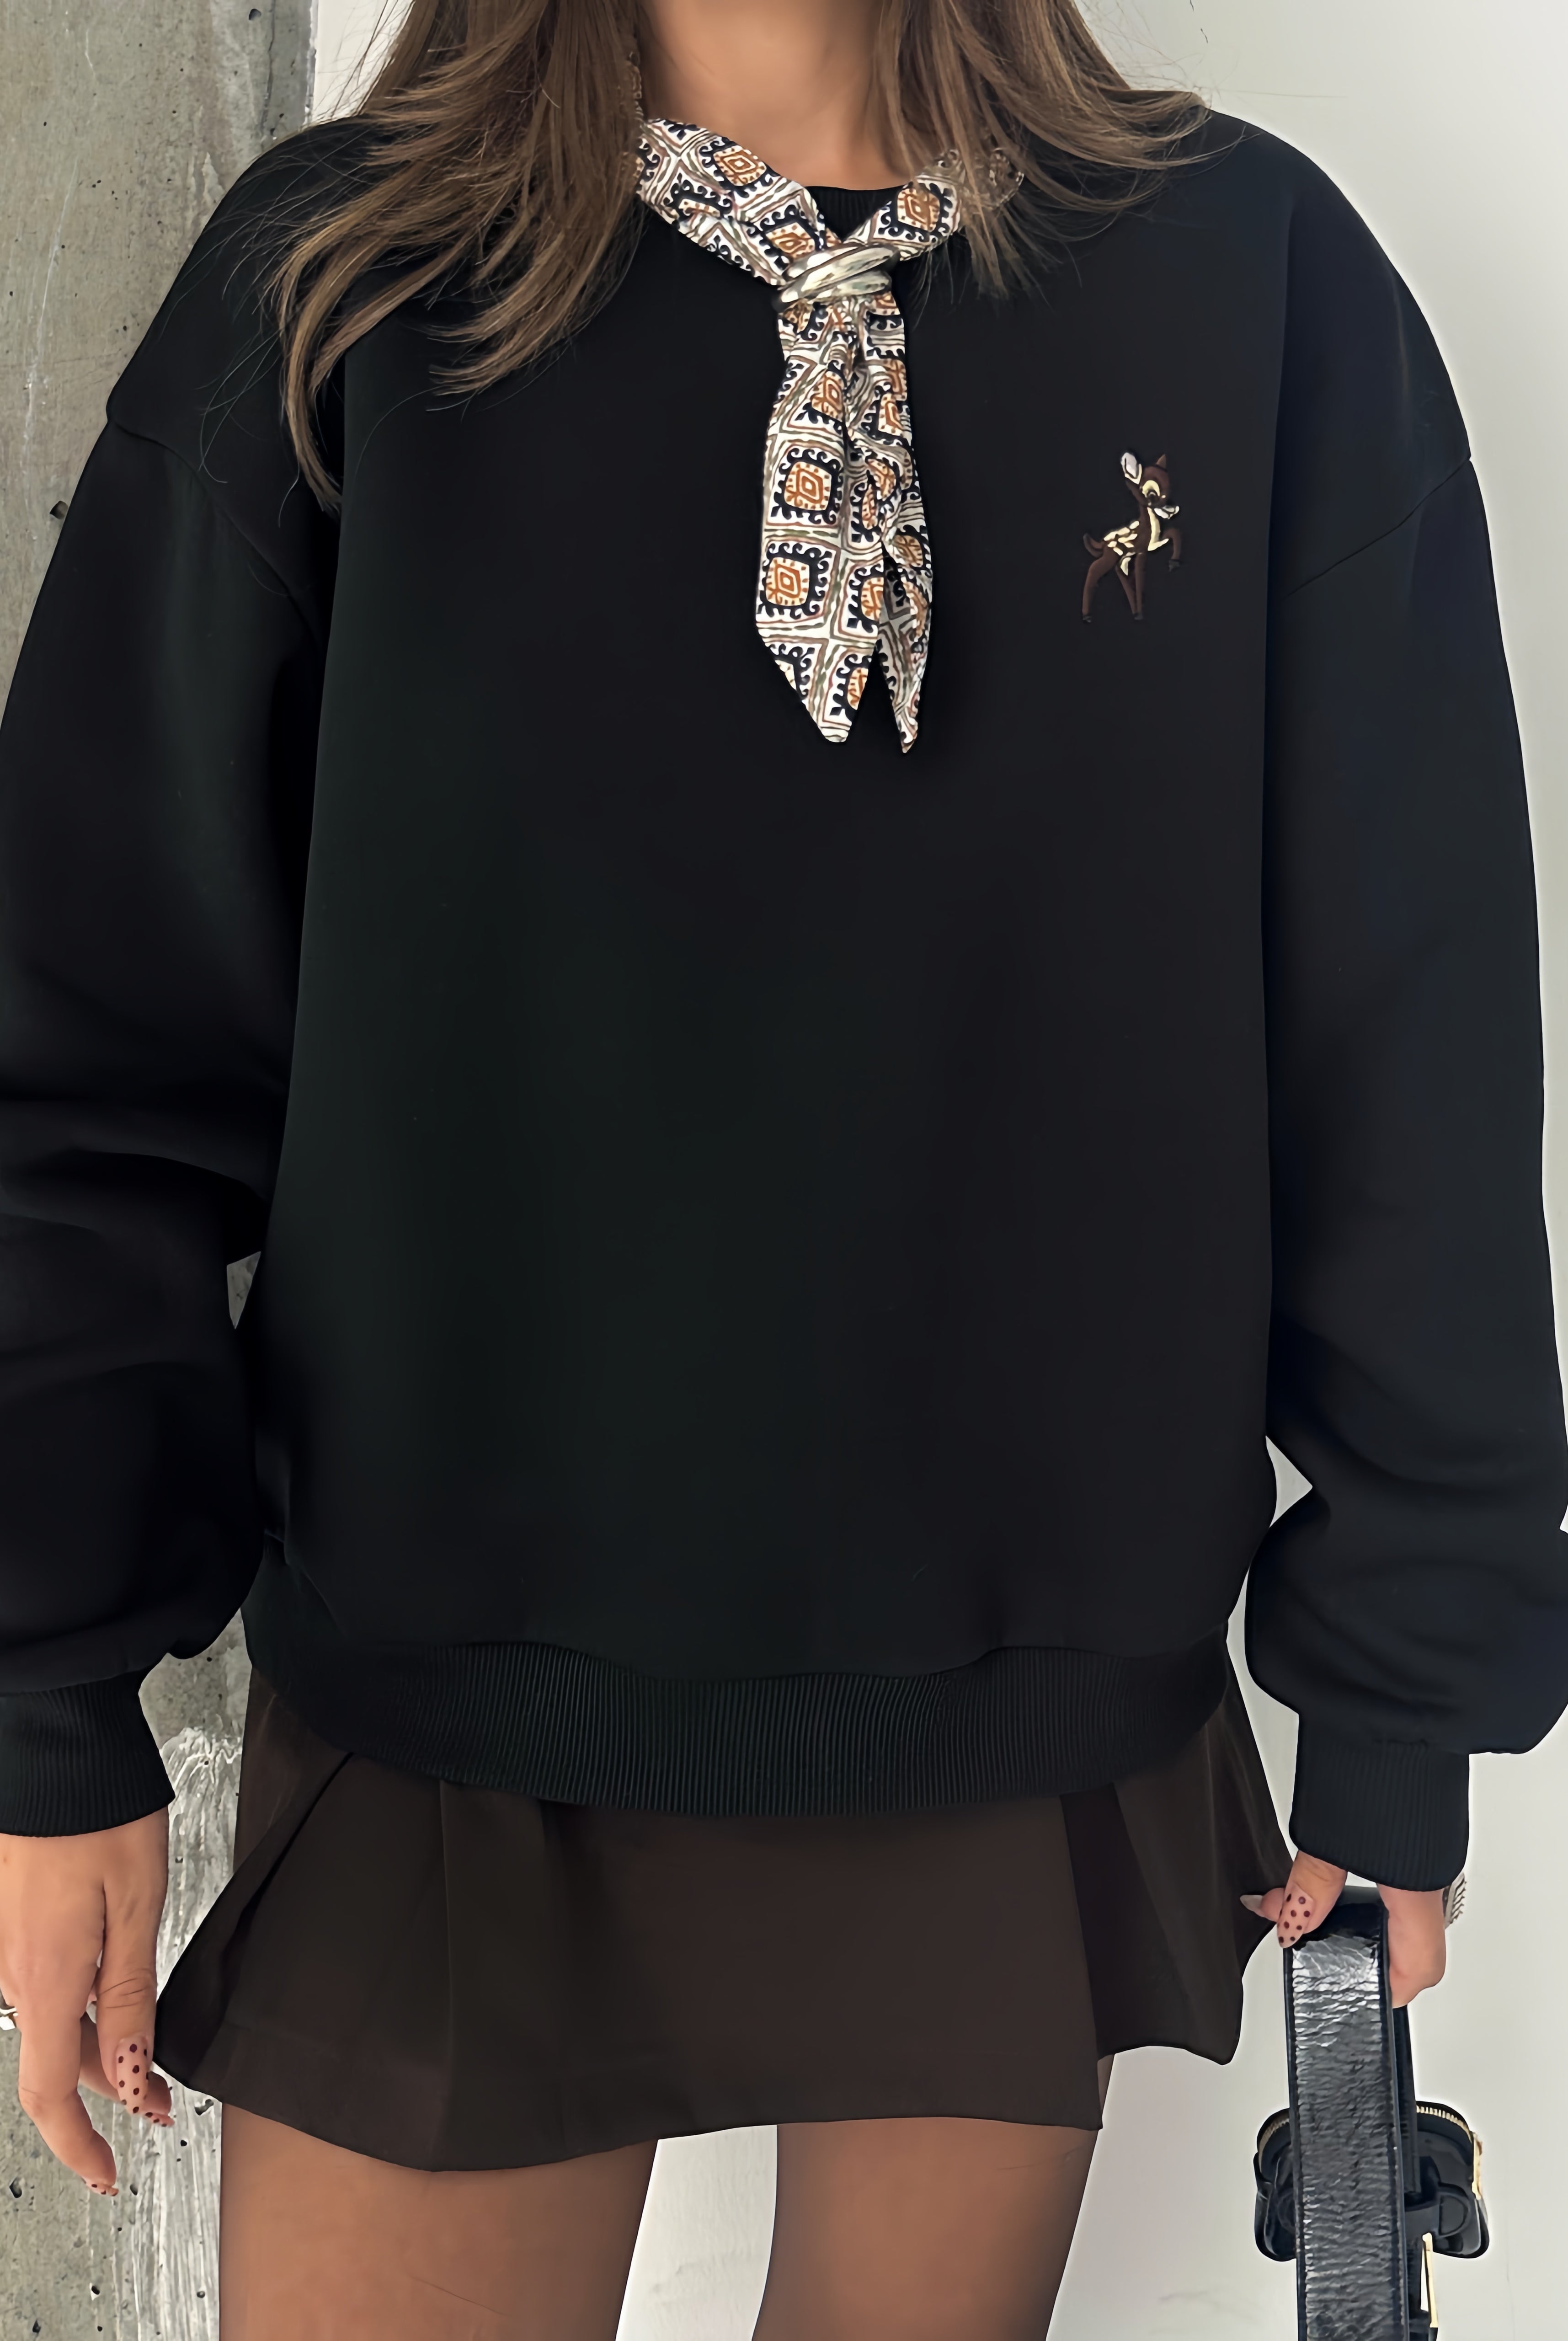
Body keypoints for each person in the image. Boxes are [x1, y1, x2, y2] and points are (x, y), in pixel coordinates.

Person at [0, 0, 1564, 2330]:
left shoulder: (1252, 289)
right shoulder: (344, 287)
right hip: (457, 1687)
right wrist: (43, 1695)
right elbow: (94, 1034)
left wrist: (1405, 1682)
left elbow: (1404, 1026)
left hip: (1014, 1686)